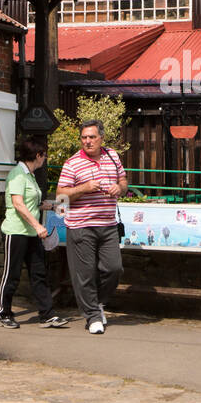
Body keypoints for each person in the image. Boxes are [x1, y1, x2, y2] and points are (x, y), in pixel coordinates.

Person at [57, 120, 127, 334]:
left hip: (107, 225)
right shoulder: (72, 163)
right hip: (81, 226)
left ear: (101, 138)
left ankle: (96, 303)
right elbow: (61, 195)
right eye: (84, 137)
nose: (87, 141)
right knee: (85, 274)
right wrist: (84, 188)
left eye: (92, 137)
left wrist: (119, 188)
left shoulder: (112, 156)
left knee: (114, 269)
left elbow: (124, 182)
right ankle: (93, 317)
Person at [0, 137, 68, 329]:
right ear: (38, 155)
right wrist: (38, 226)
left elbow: (32, 203)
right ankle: (4, 313)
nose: (45, 159)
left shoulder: (30, 176)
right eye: (44, 155)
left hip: (31, 233)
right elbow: (18, 204)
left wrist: (52, 206)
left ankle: (47, 315)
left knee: (39, 273)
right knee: (12, 274)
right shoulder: (17, 175)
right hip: (16, 232)